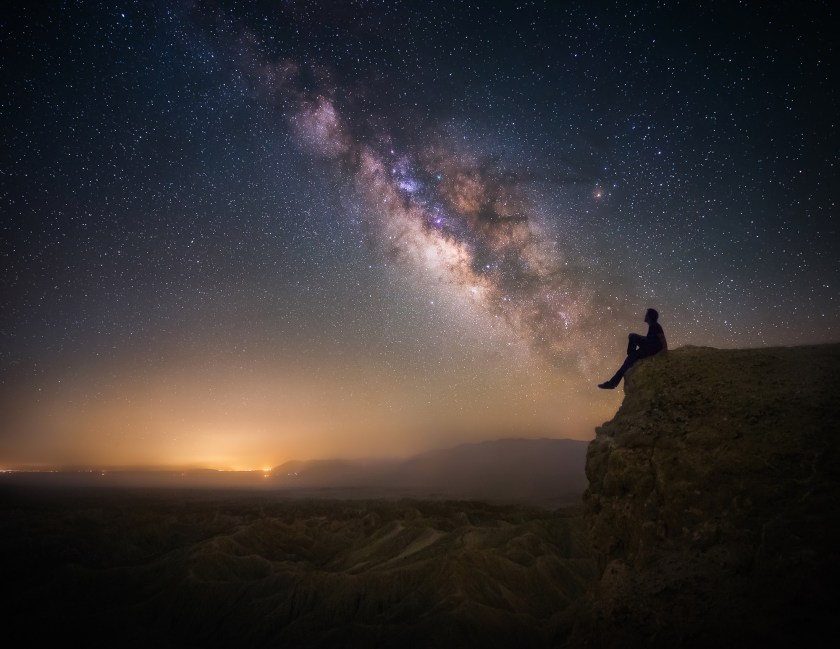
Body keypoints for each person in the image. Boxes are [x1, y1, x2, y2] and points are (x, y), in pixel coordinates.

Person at [598, 308, 667, 389]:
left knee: (632, 339)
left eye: (646, 314)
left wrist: (663, 351)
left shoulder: (656, 326)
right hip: (649, 346)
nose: (645, 316)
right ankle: (613, 382)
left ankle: (612, 383)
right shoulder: (653, 326)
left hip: (651, 348)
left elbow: (662, 339)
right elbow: (652, 339)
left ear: (650, 316)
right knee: (632, 338)